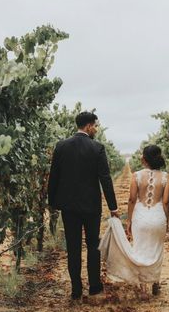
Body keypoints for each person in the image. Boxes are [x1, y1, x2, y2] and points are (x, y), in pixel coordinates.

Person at [47, 112, 118, 300]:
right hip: (91, 206)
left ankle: (76, 289)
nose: (96, 129)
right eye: (95, 126)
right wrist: (113, 206)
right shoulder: (97, 148)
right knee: (93, 244)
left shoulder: (61, 146)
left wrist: (52, 203)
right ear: (88, 126)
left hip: (68, 206)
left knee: (73, 246)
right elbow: (105, 179)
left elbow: (54, 176)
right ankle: (94, 286)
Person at [99, 145, 169, 298]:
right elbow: (165, 202)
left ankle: (143, 288)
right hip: (158, 217)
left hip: (141, 217)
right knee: (156, 249)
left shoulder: (136, 176)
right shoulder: (165, 177)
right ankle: (155, 282)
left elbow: (132, 199)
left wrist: (129, 221)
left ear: (144, 159)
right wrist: (166, 219)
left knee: (140, 249)